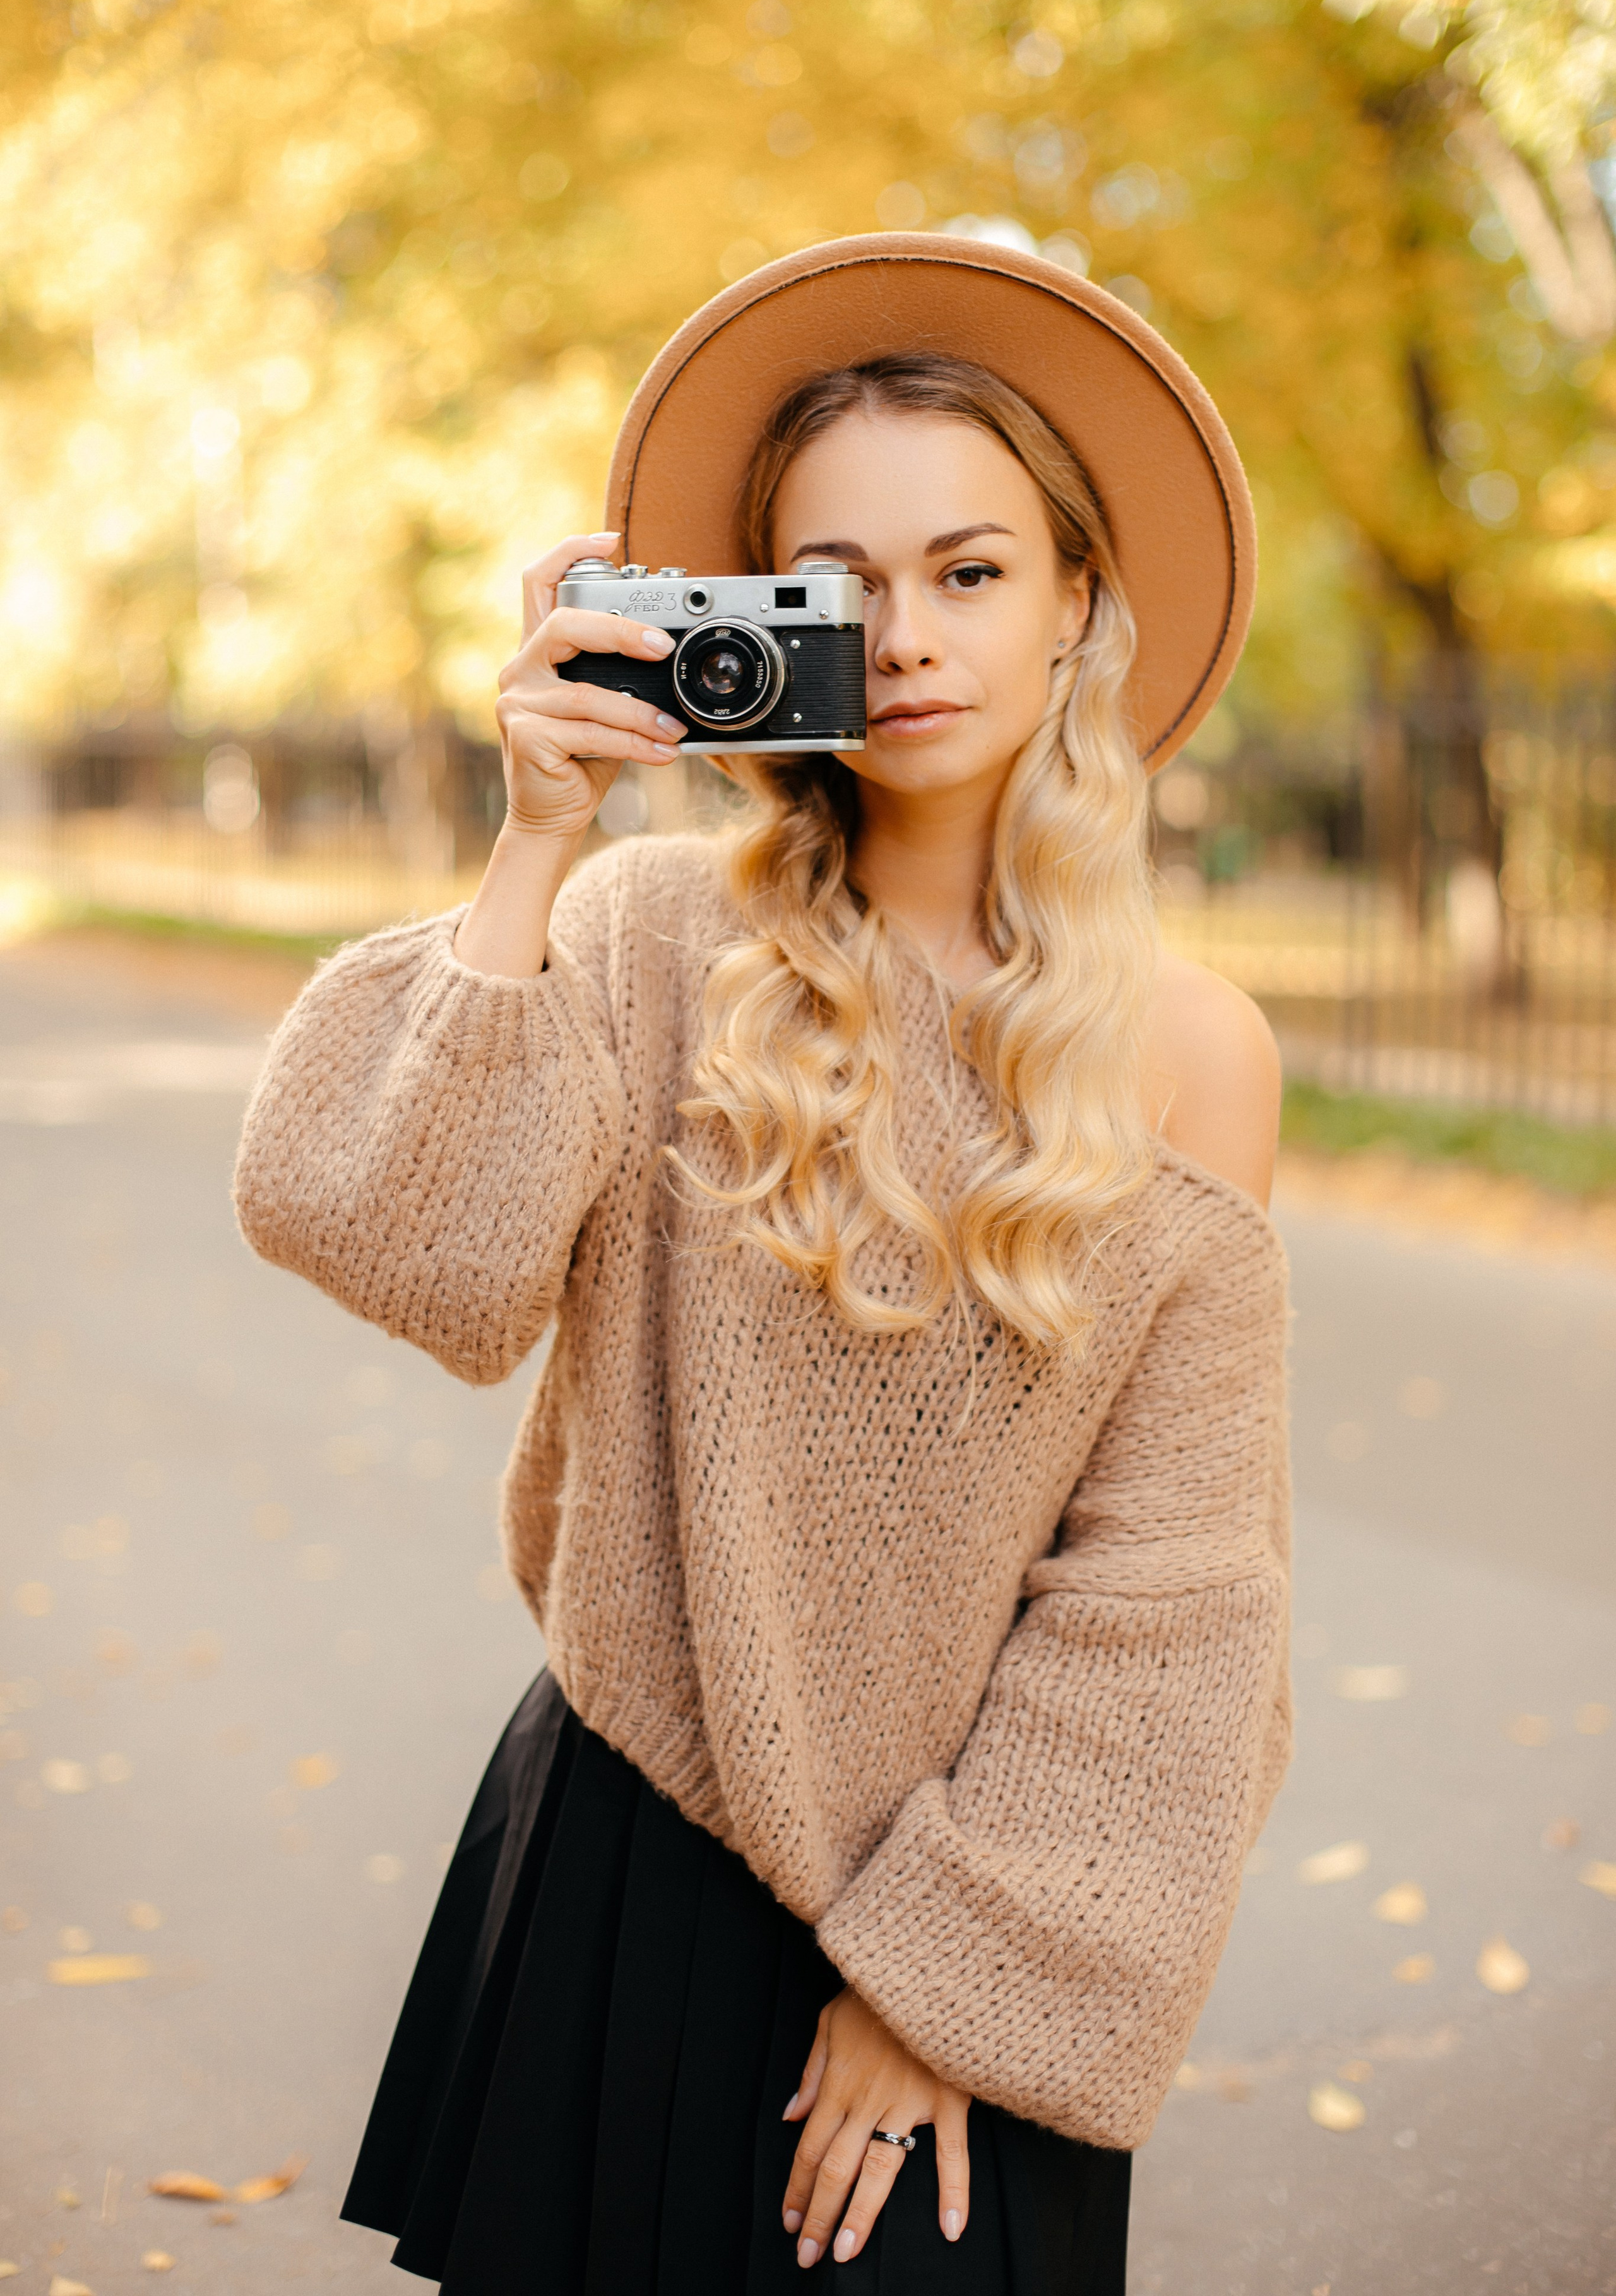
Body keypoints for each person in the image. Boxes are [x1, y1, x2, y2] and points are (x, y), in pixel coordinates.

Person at [234, 233, 1290, 2296]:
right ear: (753, 615)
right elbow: (390, 1243)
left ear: (1081, 602)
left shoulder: (1191, 1054)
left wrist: (946, 1985)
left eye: (972, 573)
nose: (904, 638)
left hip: (999, 1920)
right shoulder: (644, 945)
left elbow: (1177, 1587)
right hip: (628, 1858)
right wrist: (535, 842)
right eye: (839, 584)